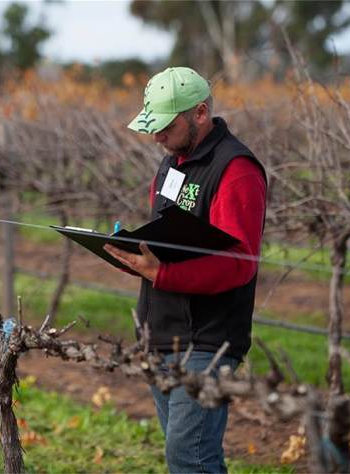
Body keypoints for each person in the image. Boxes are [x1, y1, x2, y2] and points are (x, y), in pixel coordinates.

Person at [104, 67, 267, 473]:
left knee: (189, 457)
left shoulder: (236, 170)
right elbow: (165, 243)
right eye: (152, 126)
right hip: (162, 332)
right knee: (189, 456)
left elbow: (240, 264)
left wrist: (162, 274)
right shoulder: (170, 165)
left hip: (209, 338)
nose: (156, 137)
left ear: (199, 113)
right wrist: (131, 256)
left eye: (165, 126)